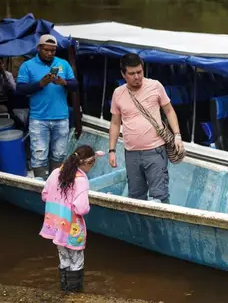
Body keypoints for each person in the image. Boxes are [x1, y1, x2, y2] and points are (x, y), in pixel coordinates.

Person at [108, 53, 184, 204]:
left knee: (160, 196)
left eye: (139, 72)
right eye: (132, 73)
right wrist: (112, 150)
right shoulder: (118, 93)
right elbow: (115, 123)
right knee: (135, 197)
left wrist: (177, 135)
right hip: (131, 153)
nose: (137, 76)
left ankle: (161, 227)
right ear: (123, 74)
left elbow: (169, 111)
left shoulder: (155, 86)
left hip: (155, 151)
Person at [17, 34, 78, 179]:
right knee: (39, 154)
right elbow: (20, 89)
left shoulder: (63, 64)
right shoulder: (27, 66)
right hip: (38, 118)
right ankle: (40, 184)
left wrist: (64, 83)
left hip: (61, 117)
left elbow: (75, 85)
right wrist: (40, 84)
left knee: (59, 153)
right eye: (46, 50)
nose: (50, 53)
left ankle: (54, 182)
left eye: (53, 51)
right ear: (38, 48)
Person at [40, 145, 97, 293]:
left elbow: (45, 195)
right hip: (72, 227)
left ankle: (64, 290)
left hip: (57, 226)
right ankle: (75, 293)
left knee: (64, 258)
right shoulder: (81, 181)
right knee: (76, 260)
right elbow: (82, 208)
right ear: (87, 163)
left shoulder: (55, 173)